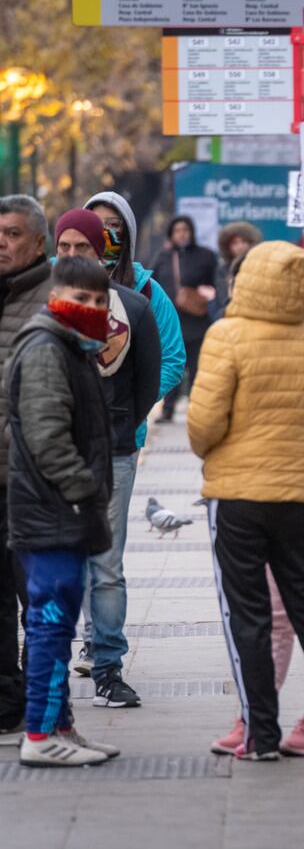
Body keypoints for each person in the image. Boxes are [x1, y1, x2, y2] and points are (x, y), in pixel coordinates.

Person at [188, 241, 304, 760]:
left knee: (249, 618)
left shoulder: (226, 335)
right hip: (299, 498)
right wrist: (301, 460)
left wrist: (222, 452)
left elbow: (203, 424)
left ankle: (260, 736)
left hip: (238, 497)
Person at [7, 256, 118, 767]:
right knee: (51, 622)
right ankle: (38, 735)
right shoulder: (48, 348)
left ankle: (59, 725)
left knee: (59, 621)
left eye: (99, 301)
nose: (91, 308)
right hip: (52, 511)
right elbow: (47, 437)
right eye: (80, 298)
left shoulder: (72, 346)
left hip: (60, 511)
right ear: (57, 296)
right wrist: (85, 491)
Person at [53, 210, 161, 711]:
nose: (73, 256)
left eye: (83, 247)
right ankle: (46, 663)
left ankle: (108, 666)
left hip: (113, 450)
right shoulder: (37, 307)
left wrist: (117, 430)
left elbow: (146, 384)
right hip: (48, 454)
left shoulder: (135, 309)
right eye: (65, 246)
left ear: (103, 253)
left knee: (106, 565)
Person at [76, 193, 185, 677]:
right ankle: (86, 640)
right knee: (68, 550)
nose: (104, 235)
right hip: (63, 439)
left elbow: (172, 360)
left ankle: (105, 654)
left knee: (107, 557)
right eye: (95, 224)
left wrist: (130, 409)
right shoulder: (57, 283)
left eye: (115, 226)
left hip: (120, 441)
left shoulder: (146, 292)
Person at [0, 194, 55, 744]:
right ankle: (6, 704)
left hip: (34, 480)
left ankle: (46, 709)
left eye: (13, 234)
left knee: (38, 600)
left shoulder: (59, 299)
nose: (2, 243)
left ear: (39, 242)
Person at [152, 214, 218, 422]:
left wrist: (206, 294)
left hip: (198, 321)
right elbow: (152, 285)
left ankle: (197, 410)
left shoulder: (205, 256)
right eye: (177, 230)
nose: (182, 234)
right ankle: (167, 409)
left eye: (185, 230)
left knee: (198, 368)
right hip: (173, 322)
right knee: (172, 365)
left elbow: (216, 284)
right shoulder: (163, 257)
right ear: (171, 234)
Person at [213, 221, 262, 321]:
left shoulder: (259, 265)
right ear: (228, 247)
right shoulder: (223, 270)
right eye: (235, 243)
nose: (240, 246)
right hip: (232, 317)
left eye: (243, 242)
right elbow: (223, 298)